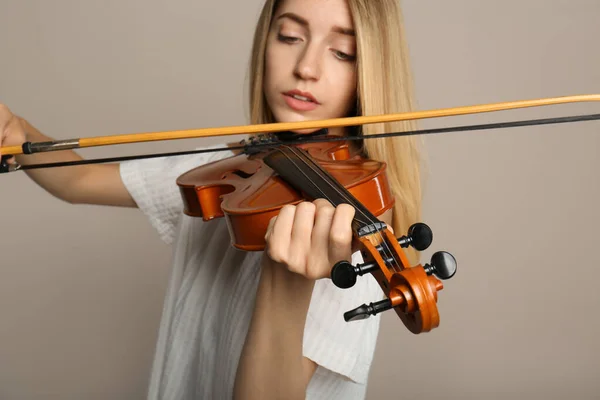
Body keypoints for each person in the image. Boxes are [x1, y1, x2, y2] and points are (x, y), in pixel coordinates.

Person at [0, 0, 423, 398]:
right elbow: (79, 180)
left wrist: (287, 283)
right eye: (290, 37)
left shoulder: (348, 228)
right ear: (265, 42)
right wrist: (17, 131)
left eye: (342, 52)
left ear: (370, 69)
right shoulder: (232, 169)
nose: (306, 68)